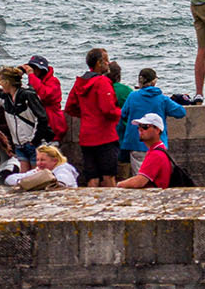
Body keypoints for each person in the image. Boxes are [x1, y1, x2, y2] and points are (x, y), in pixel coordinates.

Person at [66, 47, 122, 187]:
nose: (108, 63)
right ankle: (112, 205)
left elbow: (69, 107)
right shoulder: (102, 82)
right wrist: (121, 113)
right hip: (105, 135)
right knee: (109, 175)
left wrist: (86, 114)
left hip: (86, 136)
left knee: (92, 177)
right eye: (106, 60)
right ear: (99, 63)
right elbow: (108, 110)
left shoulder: (80, 82)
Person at [119, 69, 188, 173]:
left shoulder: (132, 96)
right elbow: (181, 112)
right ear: (154, 82)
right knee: (157, 177)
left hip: (137, 143)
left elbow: (123, 114)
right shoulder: (162, 99)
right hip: (157, 144)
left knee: (140, 176)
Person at [116, 115, 174, 189]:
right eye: (139, 127)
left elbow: (139, 181)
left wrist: (118, 185)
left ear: (157, 130)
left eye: (145, 126)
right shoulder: (159, 150)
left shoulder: (156, 154)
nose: (140, 129)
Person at [24, 55, 66, 141]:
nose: (33, 71)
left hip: (52, 125)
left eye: (36, 68)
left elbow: (44, 95)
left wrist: (31, 76)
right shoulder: (34, 82)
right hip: (38, 125)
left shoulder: (53, 81)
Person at [4, 144, 80, 189]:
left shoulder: (64, 169)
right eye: (37, 160)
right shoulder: (39, 170)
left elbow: (61, 183)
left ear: (55, 160)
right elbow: (9, 179)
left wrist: (35, 180)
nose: (39, 163)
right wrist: (21, 182)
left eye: (43, 160)